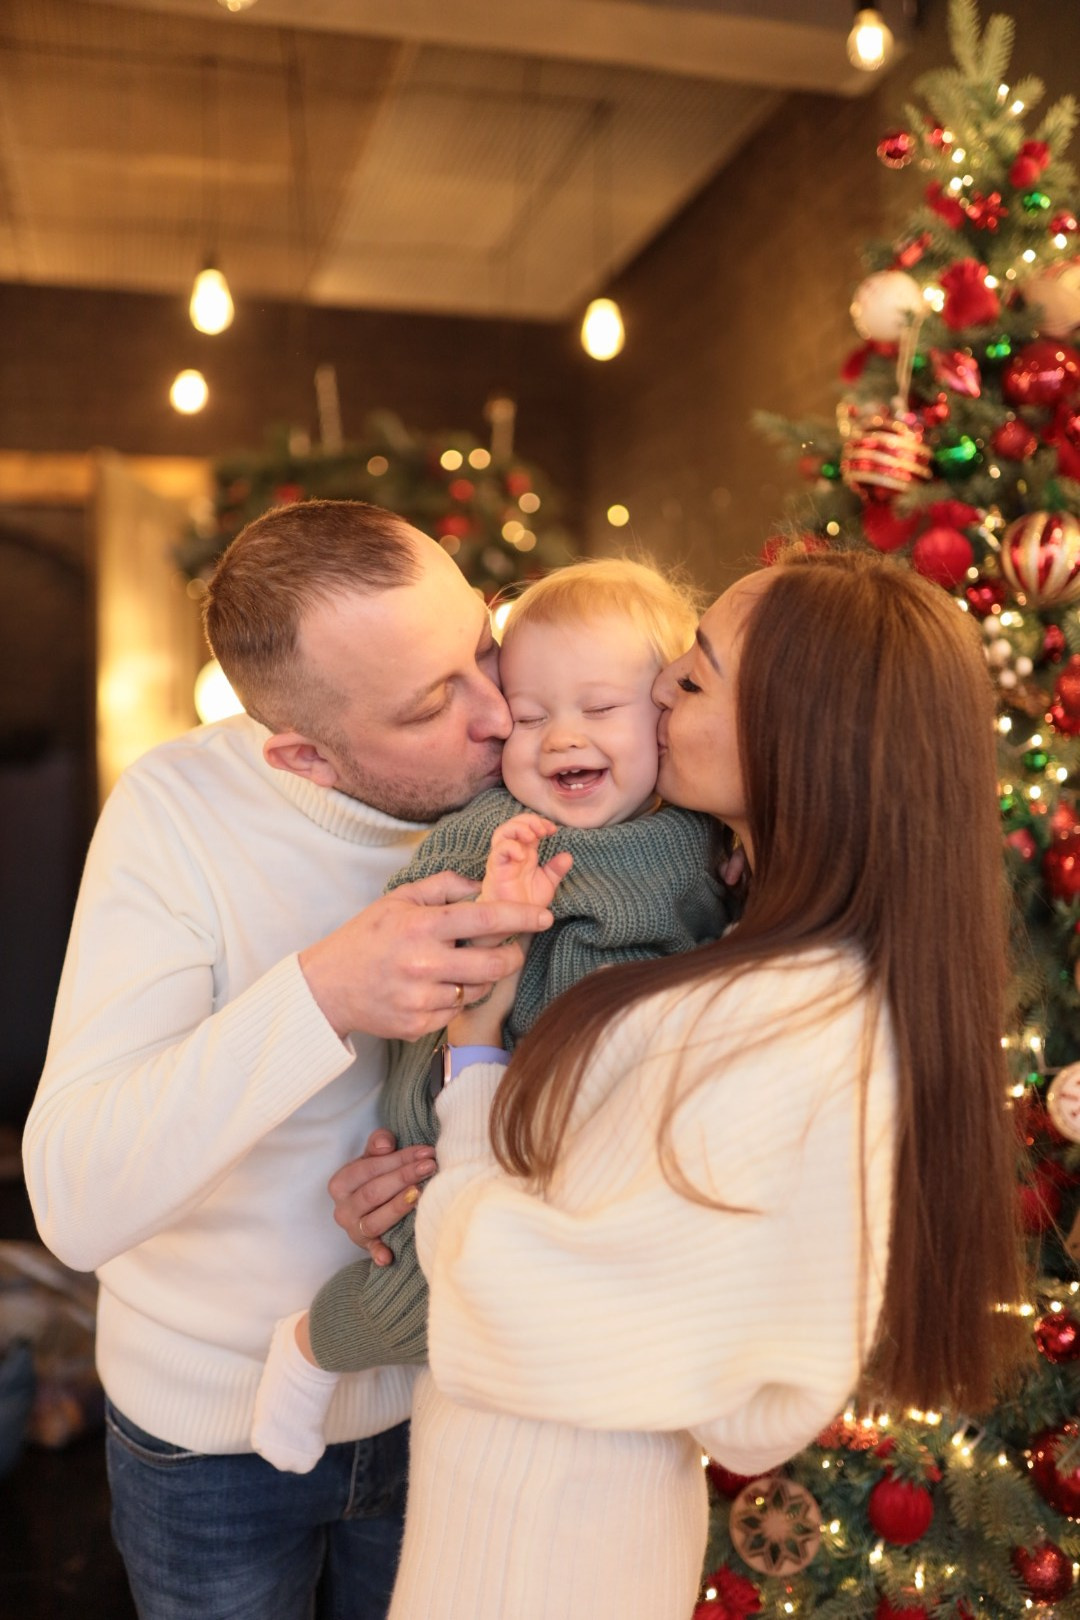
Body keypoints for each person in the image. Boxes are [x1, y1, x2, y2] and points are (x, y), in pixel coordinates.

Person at [372, 548, 1026, 1620]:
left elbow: (529, 1298)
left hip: (541, 1548)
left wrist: (447, 1192)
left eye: (698, 673)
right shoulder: (736, 947)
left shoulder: (782, 1023)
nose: (661, 686)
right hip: (533, 1521)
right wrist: (470, 1068)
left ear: (799, 736)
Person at [21, 499, 556, 1620]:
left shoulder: (533, 771)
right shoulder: (177, 811)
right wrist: (321, 995)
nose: (501, 712)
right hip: (211, 1444)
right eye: (432, 705)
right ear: (303, 753)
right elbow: (72, 1198)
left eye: (483, 645)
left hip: (452, 1406)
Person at [249, 558, 733, 1475]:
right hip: (459, 1116)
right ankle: (308, 1350)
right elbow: (411, 953)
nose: (561, 740)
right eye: (532, 713)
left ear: (664, 713)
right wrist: (491, 911)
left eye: (599, 708)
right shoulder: (497, 829)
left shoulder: (700, 841)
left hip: (596, 1137)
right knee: (426, 1300)